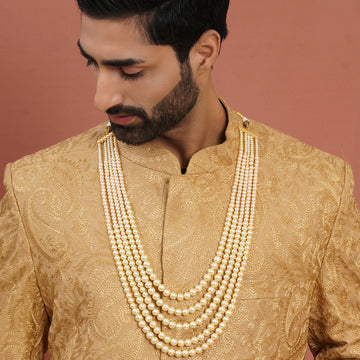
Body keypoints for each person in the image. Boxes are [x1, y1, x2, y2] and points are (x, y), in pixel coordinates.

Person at [0, 0, 359, 359]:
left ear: (203, 52)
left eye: (130, 71)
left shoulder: (316, 186)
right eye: (92, 63)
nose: (101, 97)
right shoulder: (37, 188)